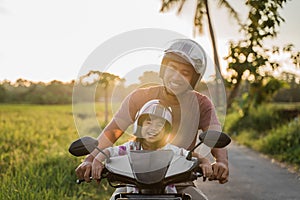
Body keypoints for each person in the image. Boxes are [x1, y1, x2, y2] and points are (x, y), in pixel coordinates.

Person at [76, 38, 229, 198]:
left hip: (179, 182)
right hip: (134, 181)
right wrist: (90, 159)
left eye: (185, 73)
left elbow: (214, 135)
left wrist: (221, 162)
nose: (176, 77)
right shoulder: (140, 96)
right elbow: (113, 131)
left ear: (193, 79)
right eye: (172, 69)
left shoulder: (201, 103)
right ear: (163, 69)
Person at [91, 99, 213, 198]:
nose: (153, 128)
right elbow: (108, 152)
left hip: (168, 196)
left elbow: (189, 155)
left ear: (166, 130)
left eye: (159, 124)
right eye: (148, 123)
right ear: (139, 126)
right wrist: (96, 161)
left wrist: (205, 162)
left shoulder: (170, 150)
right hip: (132, 195)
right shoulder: (130, 147)